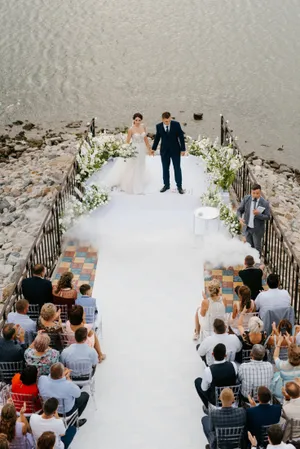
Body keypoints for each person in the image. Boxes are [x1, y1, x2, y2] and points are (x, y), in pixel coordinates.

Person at [94, 113, 152, 194]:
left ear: (141, 120)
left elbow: (145, 138)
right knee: (134, 165)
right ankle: (134, 186)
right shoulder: (131, 129)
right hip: (134, 148)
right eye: (136, 120)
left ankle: (139, 180)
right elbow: (127, 142)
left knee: (141, 164)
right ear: (133, 120)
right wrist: (126, 150)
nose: (138, 122)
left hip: (142, 148)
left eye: (139, 120)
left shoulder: (143, 127)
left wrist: (149, 149)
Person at [151, 111, 185, 194]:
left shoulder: (176, 125)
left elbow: (181, 137)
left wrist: (183, 149)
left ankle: (179, 186)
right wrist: (153, 149)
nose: (168, 122)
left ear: (170, 118)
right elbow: (157, 138)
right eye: (166, 121)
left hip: (175, 150)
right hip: (164, 151)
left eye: (169, 120)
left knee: (177, 168)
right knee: (165, 168)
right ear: (162, 119)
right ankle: (166, 185)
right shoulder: (158, 126)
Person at [194, 343, 238, 409]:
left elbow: (204, 388)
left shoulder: (208, 370)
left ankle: (207, 407)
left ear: (212, 354)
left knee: (197, 381)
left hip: (215, 400)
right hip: (231, 396)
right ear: (225, 355)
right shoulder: (233, 365)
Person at [237, 183, 270, 256]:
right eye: (253, 193)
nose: (255, 195)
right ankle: (250, 265)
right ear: (251, 192)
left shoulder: (265, 203)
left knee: (257, 249)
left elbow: (268, 217)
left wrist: (258, 214)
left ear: (260, 192)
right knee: (248, 247)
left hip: (257, 230)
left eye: (257, 193)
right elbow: (239, 210)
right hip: (247, 228)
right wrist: (239, 218)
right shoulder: (246, 199)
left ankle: (257, 265)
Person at [272, 335, 300, 399]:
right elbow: (296, 353)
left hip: (286, 391)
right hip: (298, 390)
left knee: (276, 375)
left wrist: (279, 343)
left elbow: (275, 356)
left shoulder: (283, 365)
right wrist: (289, 342)